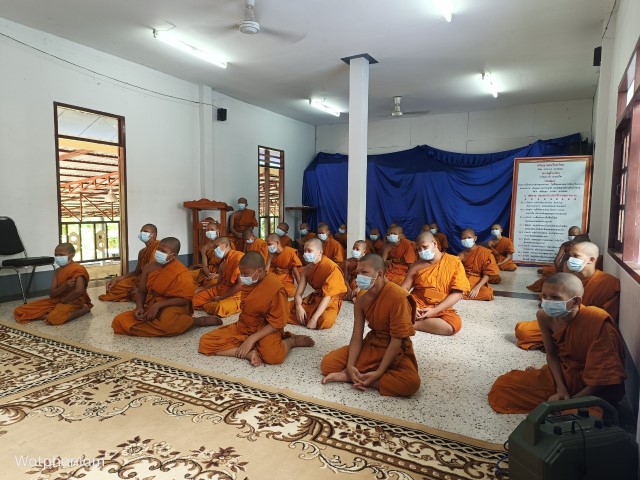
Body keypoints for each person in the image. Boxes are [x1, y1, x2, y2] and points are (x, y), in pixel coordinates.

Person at [489, 273, 626, 414]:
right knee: (503, 387)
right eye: (545, 296)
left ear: (576, 301)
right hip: (564, 374)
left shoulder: (596, 320)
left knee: (576, 417)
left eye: (555, 298)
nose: (548, 302)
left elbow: (604, 377)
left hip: (592, 386)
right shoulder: (544, 316)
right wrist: (561, 389)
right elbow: (551, 355)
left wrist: (570, 402)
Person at [321, 254, 420, 397]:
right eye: (358, 273)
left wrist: (379, 372)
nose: (359, 277)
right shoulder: (361, 300)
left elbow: (396, 340)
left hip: (395, 347)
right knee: (327, 365)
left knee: (410, 384)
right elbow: (357, 336)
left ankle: (370, 380)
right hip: (372, 343)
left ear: (379, 274)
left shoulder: (398, 296)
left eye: (364, 272)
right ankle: (358, 375)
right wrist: (350, 365)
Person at [198, 252, 315, 366]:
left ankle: (291, 341)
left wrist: (251, 339)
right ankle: (248, 354)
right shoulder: (251, 282)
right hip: (244, 326)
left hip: (265, 328)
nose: (242, 277)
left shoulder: (275, 288)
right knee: (205, 342)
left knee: (273, 356)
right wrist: (249, 341)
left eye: (245, 274)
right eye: (241, 273)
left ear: (259, 271)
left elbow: (277, 323)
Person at [515, 242, 620, 350]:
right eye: (570, 255)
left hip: (586, 326)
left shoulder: (608, 283)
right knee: (523, 331)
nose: (570, 259)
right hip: (560, 320)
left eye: (576, 256)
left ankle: (558, 342)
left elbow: (606, 318)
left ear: (591, 260)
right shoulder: (568, 278)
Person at [112, 237, 220, 336]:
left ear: (173, 255)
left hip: (174, 305)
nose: (158, 252)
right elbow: (142, 291)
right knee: (119, 321)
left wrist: (158, 305)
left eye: (163, 251)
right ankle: (169, 323)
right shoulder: (148, 267)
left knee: (167, 325)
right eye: (158, 249)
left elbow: (185, 300)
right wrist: (139, 307)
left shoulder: (181, 272)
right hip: (153, 303)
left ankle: (195, 321)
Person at [401, 232, 470, 335]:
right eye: (418, 249)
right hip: (418, 303)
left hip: (440, 305)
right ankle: (413, 319)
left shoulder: (454, 262)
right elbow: (403, 288)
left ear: (435, 244)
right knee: (394, 307)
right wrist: (413, 307)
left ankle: (412, 324)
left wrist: (434, 311)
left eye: (425, 247)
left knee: (453, 325)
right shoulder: (416, 266)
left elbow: (457, 293)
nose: (422, 251)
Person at [14, 243, 92, 325]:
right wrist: (64, 286)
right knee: (20, 310)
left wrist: (64, 300)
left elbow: (78, 291)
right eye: (56, 255)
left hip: (73, 302)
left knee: (54, 318)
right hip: (57, 300)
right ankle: (51, 314)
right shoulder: (57, 271)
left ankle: (83, 310)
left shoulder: (78, 269)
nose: (58, 257)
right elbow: (52, 294)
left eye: (61, 255)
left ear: (72, 255)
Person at [290, 238, 347, 330]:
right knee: (284, 308)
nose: (306, 254)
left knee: (325, 320)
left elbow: (328, 296)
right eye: (305, 251)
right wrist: (298, 307)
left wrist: (314, 318)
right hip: (316, 297)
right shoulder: (306, 269)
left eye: (309, 251)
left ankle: (312, 317)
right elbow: (298, 293)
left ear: (320, 252)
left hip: (330, 300)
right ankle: (307, 316)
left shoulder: (331, 268)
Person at [99, 224, 159, 302]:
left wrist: (140, 288)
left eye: (145, 231)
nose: (142, 233)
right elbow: (136, 272)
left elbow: (154, 273)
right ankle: (135, 293)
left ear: (154, 235)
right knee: (114, 286)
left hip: (152, 281)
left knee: (148, 291)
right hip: (140, 279)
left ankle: (139, 293)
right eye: (141, 231)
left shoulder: (158, 249)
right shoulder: (142, 252)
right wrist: (118, 278)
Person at [192, 237, 244, 318]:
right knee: (193, 300)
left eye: (216, 247)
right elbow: (218, 284)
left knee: (220, 307)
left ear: (225, 245)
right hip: (221, 289)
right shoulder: (222, 265)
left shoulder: (239, 258)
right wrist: (202, 289)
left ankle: (209, 305)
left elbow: (240, 285)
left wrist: (221, 297)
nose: (215, 250)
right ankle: (210, 305)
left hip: (235, 294)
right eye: (214, 248)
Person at [458, 228, 500, 301]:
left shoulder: (485, 253)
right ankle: (459, 294)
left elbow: (487, 273)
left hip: (478, 280)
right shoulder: (461, 255)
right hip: (464, 280)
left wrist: (477, 287)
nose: (466, 240)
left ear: (475, 238)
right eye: (464, 238)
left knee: (487, 294)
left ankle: (458, 295)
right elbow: (456, 271)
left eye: (469, 237)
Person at [189, 221, 228, 289]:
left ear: (217, 231)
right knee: (188, 276)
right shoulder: (204, 248)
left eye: (212, 229)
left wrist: (217, 275)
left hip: (223, 272)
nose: (210, 231)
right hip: (209, 271)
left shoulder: (226, 244)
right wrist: (209, 274)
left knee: (215, 283)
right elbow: (204, 266)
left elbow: (230, 262)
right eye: (207, 230)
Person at [265, 233, 302, 297]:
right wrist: (269, 258)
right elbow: (266, 271)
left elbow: (295, 271)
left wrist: (300, 286)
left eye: (269, 244)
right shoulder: (271, 253)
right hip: (275, 275)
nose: (268, 247)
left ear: (277, 242)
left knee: (289, 292)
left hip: (286, 277)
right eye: (267, 245)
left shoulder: (290, 251)